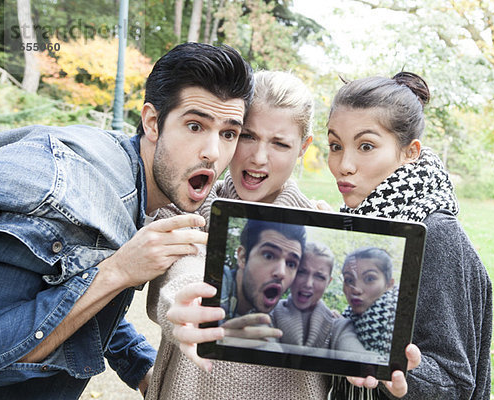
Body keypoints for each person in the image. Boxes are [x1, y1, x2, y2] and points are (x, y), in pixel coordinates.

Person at [0, 42, 254, 399]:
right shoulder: (73, 201)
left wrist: (141, 368)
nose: (213, 152)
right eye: (195, 126)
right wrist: (117, 271)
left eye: (229, 133)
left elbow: (68, 289)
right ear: (152, 122)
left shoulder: (131, 177)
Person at [149, 70, 420, 400]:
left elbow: (331, 323)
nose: (259, 158)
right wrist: (186, 304)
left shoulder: (322, 224)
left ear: (303, 147)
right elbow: (184, 268)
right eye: (247, 136)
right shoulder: (187, 206)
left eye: (279, 143)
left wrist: (364, 359)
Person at [326, 72, 492, 399]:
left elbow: (455, 381)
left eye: (366, 146)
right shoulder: (359, 220)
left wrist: (400, 375)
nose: (344, 164)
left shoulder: (434, 233)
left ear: (409, 152)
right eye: (335, 145)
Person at [271, 242, 367, 353]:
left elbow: (357, 357)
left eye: (319, 277)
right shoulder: (269, 313)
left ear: (328, 283)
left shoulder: (339, 326)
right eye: (301, 272)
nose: (308, 283)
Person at [340, 247, 398, 356]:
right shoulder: (346, 317)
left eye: (370, 279)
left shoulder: (397, 318)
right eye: (349, 280)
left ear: (389, 284)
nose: (356, 289)